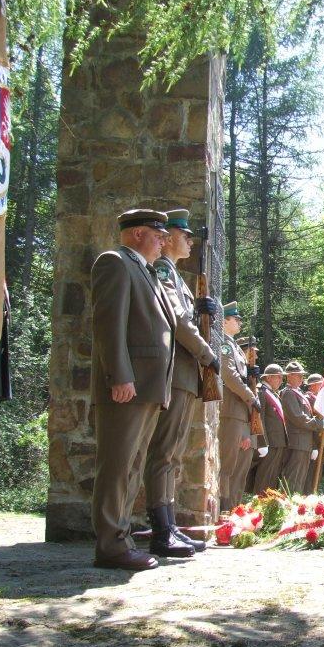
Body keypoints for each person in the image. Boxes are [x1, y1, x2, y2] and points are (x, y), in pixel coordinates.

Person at [89, 208, 176, 571]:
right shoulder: (115, 263)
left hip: (147, 388)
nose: (164, 241)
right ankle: (110, 545)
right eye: (158, 235)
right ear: (138, 234)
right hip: (129, 387)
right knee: (117, 465)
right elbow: (110, 326)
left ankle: (120, 538)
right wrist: (120, 376)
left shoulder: (143, 269)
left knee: (132, 467)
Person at [141, 209, 221, 558]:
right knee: (163, 452)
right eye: (185, 236)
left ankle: (169, 524)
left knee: (171, 454)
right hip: (177, 372)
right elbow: (179, 322)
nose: (189, 242)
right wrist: (207, 353)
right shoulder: (163, 270)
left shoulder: (175, 274)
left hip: (185, 375)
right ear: (171, 235)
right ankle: (161, 529)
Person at [217, 302, 261, 510]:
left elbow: (240, 377)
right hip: (231, 411)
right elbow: (229, 375)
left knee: (238, 467)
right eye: (236, 319)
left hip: (240, 413)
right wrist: (251, 397)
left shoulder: (234, 346)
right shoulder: (224, 344)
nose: (240, 322)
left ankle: (231, 508)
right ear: (225, 320)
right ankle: (221, 511)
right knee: (226, 467)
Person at [280, 361, 324, 494]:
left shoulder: (297, 393)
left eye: (302, 375)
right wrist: (319, 424)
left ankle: (295, 505)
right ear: (289, 376)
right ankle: (287, 506)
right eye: (298, 375)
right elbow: (298, 417)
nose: (301, 378)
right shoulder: (288, 393)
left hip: (305, 442)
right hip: (297, 442)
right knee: (292, 478)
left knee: (300, 479)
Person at [252, 364, 288, 494]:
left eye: (281, 377)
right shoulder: (261, 392)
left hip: (278, 442)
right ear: (268, 378)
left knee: (272, 477)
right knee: (265, 476)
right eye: (278, 377)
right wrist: (262, 441)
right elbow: (259, 418)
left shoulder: (273, 394)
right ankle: (260, 505)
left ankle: (268, 505)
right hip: (269, 442)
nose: (280, 380)